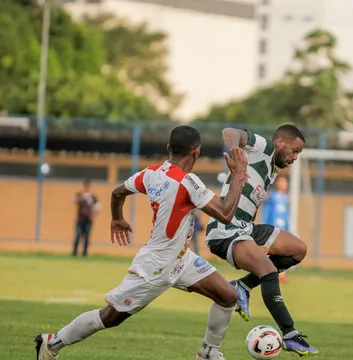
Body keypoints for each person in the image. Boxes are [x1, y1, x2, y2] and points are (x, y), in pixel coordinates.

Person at [34, 125, 249, 360]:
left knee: (227, 296)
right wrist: (239, 174)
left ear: (169, 148)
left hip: (181, 259)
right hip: (155, 266)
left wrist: (117, 218)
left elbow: (117, 193)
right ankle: (51, 343)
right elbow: (226, 214)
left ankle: (209, 353)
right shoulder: (188, 182)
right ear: (196, 152)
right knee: (110, 317)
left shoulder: (151, 173)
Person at [204, 125, 319, 357]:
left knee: (298, 250)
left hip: (246, 227)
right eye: (294, 151)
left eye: (299, 154)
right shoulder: (263, 148)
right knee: (267, 271)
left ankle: (243, 286)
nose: (295, 157)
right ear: (279, 143)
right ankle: (290, 334)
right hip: (226, 230)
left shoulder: (273, 167)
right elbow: (230, 131)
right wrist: (236, 152)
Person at [260, 176, 291, 283]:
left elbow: (287, 216)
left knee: (283, 252)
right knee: (269, 251)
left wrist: (288, 228)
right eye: (282, 182)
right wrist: (263, 225)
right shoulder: (272, 197)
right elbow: (266, 211)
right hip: (272, 229)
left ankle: (281, 274)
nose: (284, 184)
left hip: (283, 230)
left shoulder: (287, 198)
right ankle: (265, 272)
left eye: (285, 182)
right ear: (278, 184)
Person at [72, 179, 100, 257]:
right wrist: (82, 197)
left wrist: (93, 215)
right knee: (78, 235)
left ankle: (84, 254)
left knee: (86, 237)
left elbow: (98, 207)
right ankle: (74, 253)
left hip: (88, 219)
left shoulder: (92, 197)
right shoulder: (80, 195)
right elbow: (74, 201)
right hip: (80, 219)